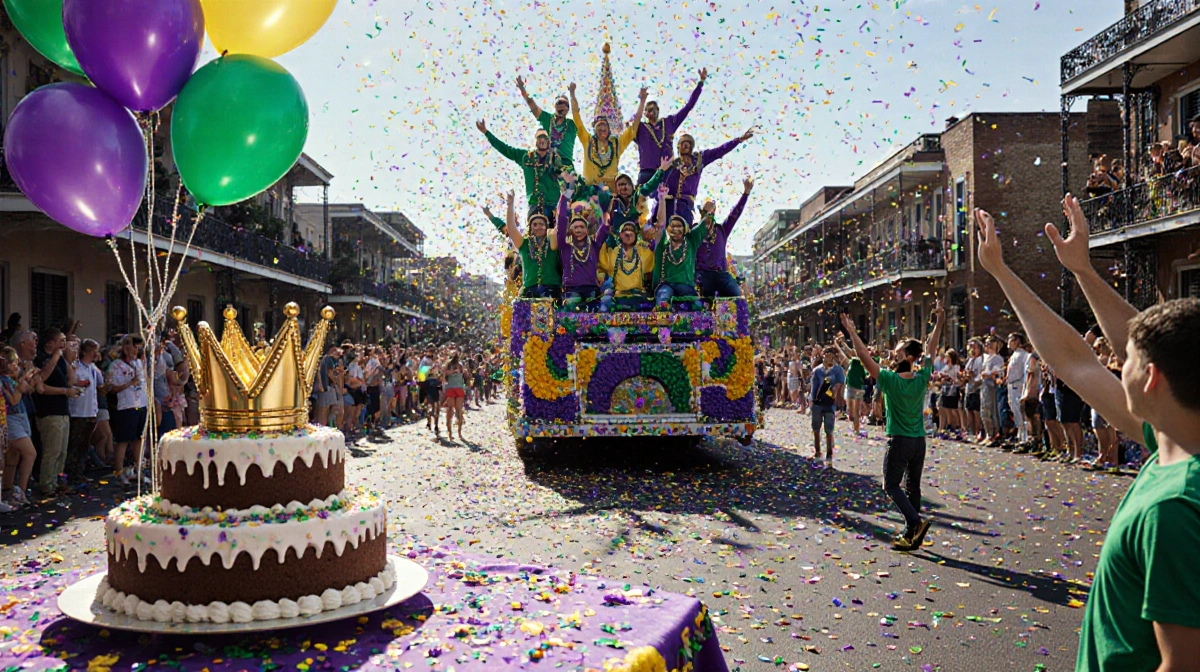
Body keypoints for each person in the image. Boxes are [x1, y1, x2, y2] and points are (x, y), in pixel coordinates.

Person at [974, 197, 1200, 672]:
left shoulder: (1174, 506)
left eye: (1125, 362)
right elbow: (1074, 361)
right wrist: (1072, 271)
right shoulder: (1171, 441)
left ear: (1152, 379)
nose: (1116, 361)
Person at [840, 299, 944, 552]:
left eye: (897, 353)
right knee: (912, 486)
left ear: (909, 357)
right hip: (919, 440)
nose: (893, 355)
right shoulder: (922, 377)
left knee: (890, 485)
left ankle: (915, 522)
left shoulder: (889, 379)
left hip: (899, 440)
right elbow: (931, 348)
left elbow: (864, 357)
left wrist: (852, 332)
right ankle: (912, 534)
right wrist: (940, 320)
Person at [653, 128, 755, 228]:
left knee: (683, 237)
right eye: (682, 143)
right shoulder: (672, 165)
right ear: (678, 147)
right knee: (663, 235)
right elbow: (659, 185)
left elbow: (719, 151)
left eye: (687, 143)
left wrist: (738, 140)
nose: (685, 145)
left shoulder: (699, 159)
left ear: (692, 146)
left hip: (686, 207)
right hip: (669, 206)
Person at [568, 81, 648, 192]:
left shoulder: (616, 144)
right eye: (599, 125)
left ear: (609, 129)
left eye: (604, 125)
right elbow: (577, 118)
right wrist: (572, 94)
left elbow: (634, 127)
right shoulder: (588, 141)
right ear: (594, 129)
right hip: (590, 192)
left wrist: (642, 101)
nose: (602, 128)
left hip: (611, 193)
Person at [478, 121, 565, 221]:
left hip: (554, 205)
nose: (542, 140)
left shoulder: (555, 158)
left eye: (544, 137)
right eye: (539, 137)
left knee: (556, 235)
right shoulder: (526, 157)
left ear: (549, 141)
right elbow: (505, 149)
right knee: (534, 233)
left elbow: (566, 179)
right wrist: (486, 133)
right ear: (536, 141)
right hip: (534, 204)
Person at [634, 69, 706, 187]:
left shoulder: (668, 122)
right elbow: (623, 135)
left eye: (654, 109)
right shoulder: (640, 128)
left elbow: (688, 107)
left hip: (666, 172)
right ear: (645, 113)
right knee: (638, 201)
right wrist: (642, 101)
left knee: (667, 201)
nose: (652, 112)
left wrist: (701, 83)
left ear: (658, 110)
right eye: (648, 110)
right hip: (646, 172)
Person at [32, 328, 79, 499]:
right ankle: (47, 484)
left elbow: (71, 380)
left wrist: (68, 358)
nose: (64, 344)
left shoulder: (60, 360)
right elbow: (42, 384)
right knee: (52, 451)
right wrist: (65, 391)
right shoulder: (43, 359)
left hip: (62, 410)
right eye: (61, 341)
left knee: (61, 451)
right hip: (49, 412)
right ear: (50, 344)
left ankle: (59, 481)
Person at [650, 182, 705, 311]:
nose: (675, 228)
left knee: (698, 307)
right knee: (663, 301)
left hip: (686, 287)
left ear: (685, 229)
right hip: (667, 286)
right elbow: (661, 223)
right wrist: (662, 199)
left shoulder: (690, 243)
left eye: (679, 226)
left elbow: (702, 226)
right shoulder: (663, 246)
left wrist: (709, 213)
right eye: (673, 226)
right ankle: (663, 329)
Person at [695, 177, 752, 298]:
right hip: (702, 274)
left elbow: (734, 215)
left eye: (710, 214)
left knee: (735, 292)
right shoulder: (695, 230)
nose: (707, 217)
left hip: (721, 274)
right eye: (704, 213)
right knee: (704, 296)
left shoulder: (721, 230)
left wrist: (746, 193)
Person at [503, 190, 563, 299]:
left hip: (552, 290)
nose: (538, 226)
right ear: (530, 228)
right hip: (530, 290)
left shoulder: (552, 241)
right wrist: (510, 205)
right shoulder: (524, 244)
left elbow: (560, 225)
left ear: (546, 227)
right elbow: (511, 229)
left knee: (551, 316)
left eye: (541, 224)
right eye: (535, 224)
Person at [107, 335, 147, 487]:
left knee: (138, 438)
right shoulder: (116, 365)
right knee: (123, 440)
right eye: (134, 347)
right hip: (125, 406)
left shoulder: (138, 363)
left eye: (138, 347)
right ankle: (119, 472)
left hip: (141, 404)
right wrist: (130, 383)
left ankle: (138, 470)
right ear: (125, 348)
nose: (136, 350)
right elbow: (110, 387)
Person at [1, 346, 35, 509]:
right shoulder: (3, 381)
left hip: (21, 418)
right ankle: (20, 491)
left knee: (12, 459)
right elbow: (12, 400)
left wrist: (26, 380)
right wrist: (21, 387)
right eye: (13, 362)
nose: (16, 365)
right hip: (11, 419)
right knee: (30, 453)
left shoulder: (12, 379)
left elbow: (30, 389)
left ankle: (7, 492)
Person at [515, 76, 577, 164]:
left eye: (566, 104)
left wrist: (572, 94)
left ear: (568, 109)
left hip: (566, 166)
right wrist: (522, 89)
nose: (562, 106)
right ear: (554, 106)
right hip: (548, 165)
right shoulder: (548, 119)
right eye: (559, 103)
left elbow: (576, 112)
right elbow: (532, 105)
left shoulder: (571, 124)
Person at [66, 338, 102, 486]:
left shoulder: (93, 368)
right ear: (86, 351)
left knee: (85, 445)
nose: (95, 354)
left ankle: (79, 473)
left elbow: (100, 384)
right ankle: (69, 474)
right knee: (74, 444)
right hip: (78, 412)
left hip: (90, 411)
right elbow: (72, 382)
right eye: (93, 351)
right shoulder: (76, 367)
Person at [598, 220, 654, 311]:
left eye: (631, 230)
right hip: (618, 297)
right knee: (604, 301)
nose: (628, 232)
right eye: (625, 230)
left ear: (636, 235)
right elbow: (603, 267)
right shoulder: (613, 252)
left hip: (638, 297)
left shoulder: (643, 251)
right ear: (620, 235)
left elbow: (656, 251)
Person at [807, 345, 844, 464]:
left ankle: (829, 453)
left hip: (830, 404)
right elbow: (813, 387)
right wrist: (811, 401)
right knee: (816, 428)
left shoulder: (838, 370)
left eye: (831, 355)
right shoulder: (817, 370)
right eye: (826, 355)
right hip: (817, 402)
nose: (828, 358)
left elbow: (839, 386)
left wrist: (838, 399)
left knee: (829, 429)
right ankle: (817, 451)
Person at [834, 335, 867, 438]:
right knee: (851, 412)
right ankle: (855, 428)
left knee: (854, 412)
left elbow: (847, 351)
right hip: (853, 388)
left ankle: (856, 430)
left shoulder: (859, 362)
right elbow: (845, 352)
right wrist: (840, 343)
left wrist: (841, 343)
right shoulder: (853, 361)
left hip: (857, 389)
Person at [314, 344, 342, 427]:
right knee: (325, 409)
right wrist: (336, 381)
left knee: (325, 408)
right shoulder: (328, 359)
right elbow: (330, 373)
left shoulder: (323, 359)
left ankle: (321, 425)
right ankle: (322, 426)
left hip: (324, 386)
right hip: (327, 386)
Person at [442, 356, 467, 442]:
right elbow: (445, 375)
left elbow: (446, 375)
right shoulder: (453, 365)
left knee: (454, 411)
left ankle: (454, 433)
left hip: (454, 388)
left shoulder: (454, 365)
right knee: (454, 411)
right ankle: (455, 433)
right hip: (455, 388)